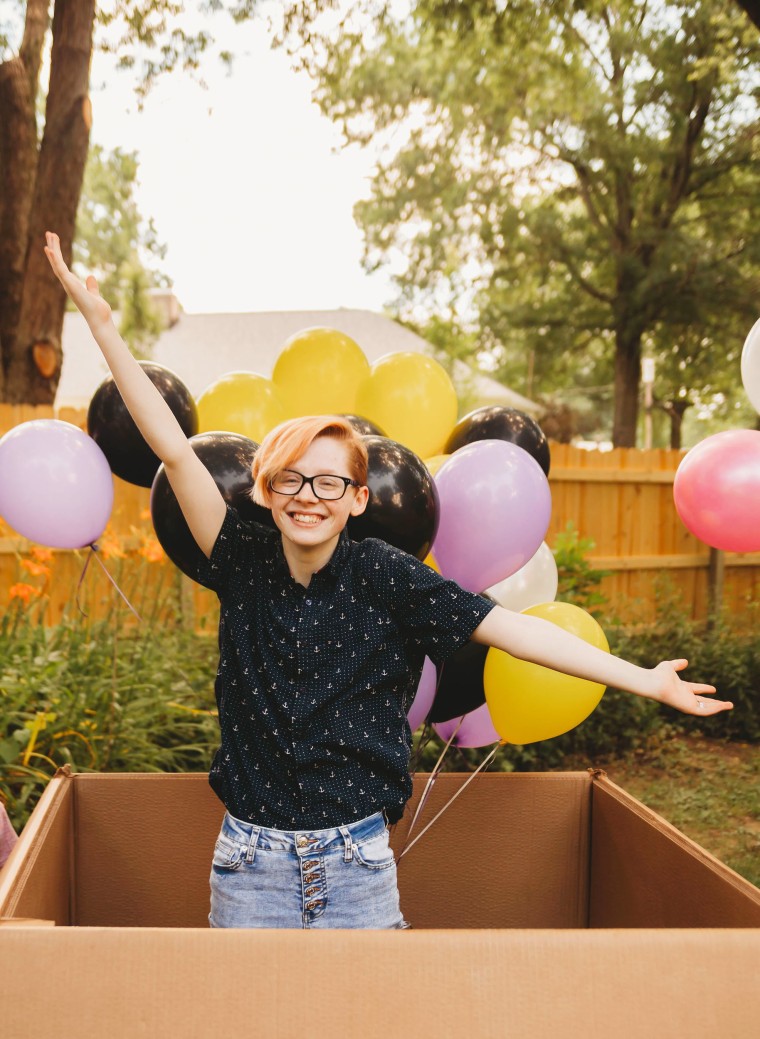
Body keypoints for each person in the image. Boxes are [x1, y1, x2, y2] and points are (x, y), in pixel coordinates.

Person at [44, 231, 732, 930]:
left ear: (356, 497)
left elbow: (517, 632)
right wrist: (103, 328)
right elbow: (170, 445)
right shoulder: (240, 557)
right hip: (249, 863)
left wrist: (645, 678)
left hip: (357, 864)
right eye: (291, 478)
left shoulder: (387, 577)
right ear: (266, 489)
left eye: (329, 480)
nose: (309, 494)